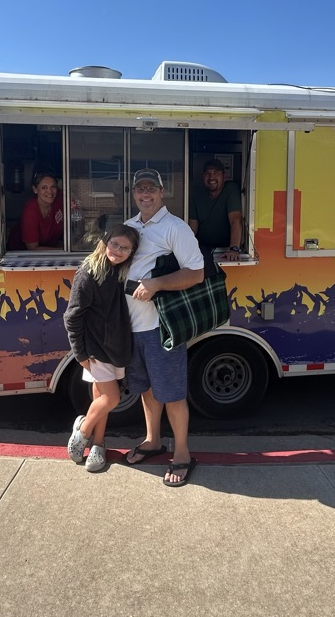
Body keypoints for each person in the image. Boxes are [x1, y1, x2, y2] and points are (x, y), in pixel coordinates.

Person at [124, 168, 204, 486]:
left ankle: (182, 454)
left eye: (151, 189)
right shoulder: (128, 228)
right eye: (139, 189)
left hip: (162, 327)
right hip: (133, 327)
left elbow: (196, 273)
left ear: (162, 192)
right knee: (146, 388)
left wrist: (156, 283)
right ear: (133, 194)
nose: (145, 194)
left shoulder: (175, 227)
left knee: (171, 393)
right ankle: (153, 440)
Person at [64, 224, 140, 472]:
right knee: (112, 398)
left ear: (131, 252)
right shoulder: (87, 273)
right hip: (95, 350)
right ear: (105, 242)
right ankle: (82, 431)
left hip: (116, 346)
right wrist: (81, 354)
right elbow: (72, 317)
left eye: (125, 248)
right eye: (115, 244)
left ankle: (98, 444)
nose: (118, 251)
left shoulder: (120, 271)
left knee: (100, 398)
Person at [189, 158, 244, 261]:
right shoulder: (196, 195)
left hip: (225, 249)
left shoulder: (231, 189)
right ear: (203, 177)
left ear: (224, 177)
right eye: (207, 174)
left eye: (216, 173)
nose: (211, 177)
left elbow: (235, 220)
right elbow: (192, 228)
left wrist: (234, 249)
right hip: (203, 249)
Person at [9, 170, 64, 250]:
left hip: (51, 250)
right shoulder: (30, 210)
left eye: (53, 187)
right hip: (20, 255)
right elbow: (33, 248)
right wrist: (63, 250)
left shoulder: (59, 199)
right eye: (44, 187)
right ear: (35, 189)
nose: (50, 191)